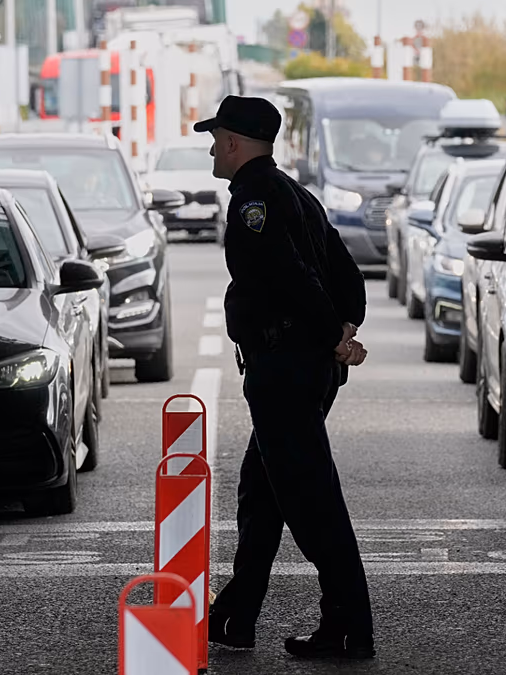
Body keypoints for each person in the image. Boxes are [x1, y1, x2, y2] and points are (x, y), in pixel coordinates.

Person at [193, 96, 375, 660]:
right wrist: (343, 327)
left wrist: (330, 334)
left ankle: (347, 626)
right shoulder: (297, 193)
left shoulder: (253, 201)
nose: (210, 148)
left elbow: (288, 275)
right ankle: (234, 616)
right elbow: (346, 273)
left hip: (285, 371)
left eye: (215, 138)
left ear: (232, 141)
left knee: (311, 501)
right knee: (261, 493)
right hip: (305, 369)